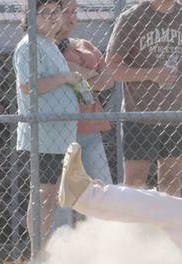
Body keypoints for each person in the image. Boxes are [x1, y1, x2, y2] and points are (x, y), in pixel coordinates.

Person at [105, 0, 182, 197]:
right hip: (140, 114)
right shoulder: (132, 18)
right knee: (135, 182)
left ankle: (167, 227)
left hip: (177, 114)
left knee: (172, 180)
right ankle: (133, 228)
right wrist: (151, 74)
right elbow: (113, 68)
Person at [13, 0, 80, 257]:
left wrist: (74, 83)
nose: (53, 18)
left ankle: (44, 253)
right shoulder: (28, 45)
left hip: (61, 137)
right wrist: (65, 77)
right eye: (46, 13)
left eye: (56, 12)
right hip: (43, 136)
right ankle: (37, 255)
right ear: (31, 16)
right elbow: (29, 87)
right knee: (43, 196)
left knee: (52, 198)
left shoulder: (49, 43)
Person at [52, 0, 114, 230]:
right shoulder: (45, 47)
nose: (71, 17)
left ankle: (108, 243)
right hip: (60, 133)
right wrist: (84, 74)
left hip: (90, 129)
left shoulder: (83, 45)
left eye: (74, 12)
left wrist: (79, 72)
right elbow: (58, 73)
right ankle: (61, 250)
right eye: (65, 11)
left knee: (102, 188)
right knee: (63, 196)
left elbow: (107, 81)